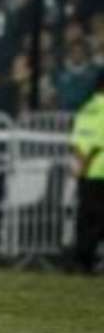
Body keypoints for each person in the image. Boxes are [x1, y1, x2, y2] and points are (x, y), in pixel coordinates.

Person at [70, 71, 104, 273]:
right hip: (100, 170)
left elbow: (76, 141)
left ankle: (82, 261)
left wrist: (82, 166)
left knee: (86, 218)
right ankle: (87, 262)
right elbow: (99, 143)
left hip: (86, 172)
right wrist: (89, 163)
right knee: (97, 221)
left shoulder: (86, 108)